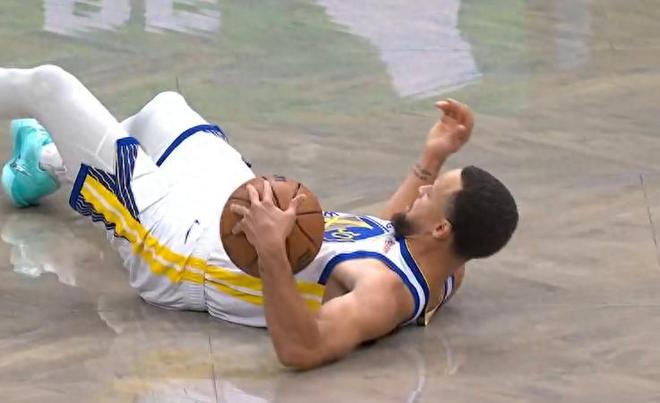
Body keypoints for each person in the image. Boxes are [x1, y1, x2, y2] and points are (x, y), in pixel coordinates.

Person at [0, 65, 518, 370]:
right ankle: (47, 162)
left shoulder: (381, 296)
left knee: (50, 86)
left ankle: (49, 158)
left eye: (433, 194)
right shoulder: (447, 266)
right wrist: (432, 156)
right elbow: (382, 237)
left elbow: (301, 349)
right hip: (227, 211)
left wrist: (271, 248)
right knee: (164, 110)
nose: (424, 190)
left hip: (178, 254)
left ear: (442, 228)